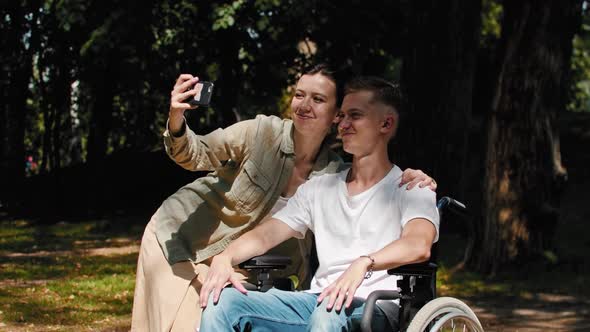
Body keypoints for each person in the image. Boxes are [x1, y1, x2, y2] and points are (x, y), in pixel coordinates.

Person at [131, 65, 436, 332]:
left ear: (385, 124)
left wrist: (364, 263)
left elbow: (418, 243)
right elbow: (266, 234)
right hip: (191, 236)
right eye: (343, 116)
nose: (344, 124)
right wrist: (226, 257)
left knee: (328, 314)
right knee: (222, 303)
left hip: (370, 303)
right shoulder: (319, 185)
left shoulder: (410, 187)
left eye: (353, 116)